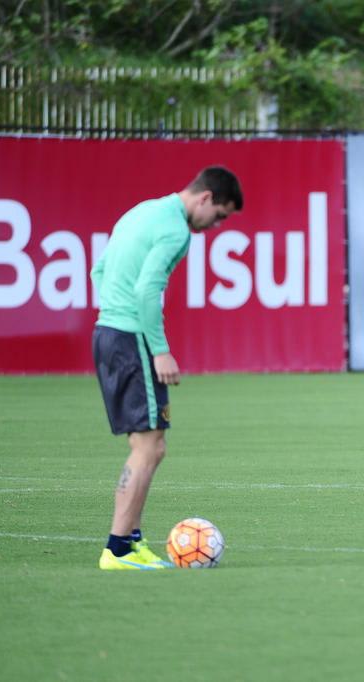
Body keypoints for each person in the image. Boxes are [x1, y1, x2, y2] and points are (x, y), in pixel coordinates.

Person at [90, 166, 243, 570]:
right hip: (132, 339)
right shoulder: (175, 230)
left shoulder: (142, 211)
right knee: (150, 446)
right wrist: (159, 350)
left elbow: (100, 270)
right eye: (221, 215)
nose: (216, 226)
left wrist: (113, 312)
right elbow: (146, 290)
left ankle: (133, 540)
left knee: (148, 446)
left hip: (109, 332)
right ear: (205, 198)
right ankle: (118, 549)